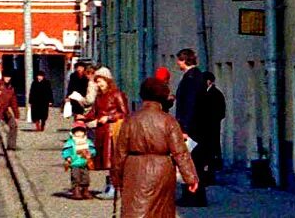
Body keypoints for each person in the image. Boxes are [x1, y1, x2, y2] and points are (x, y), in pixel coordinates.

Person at [111, 77, 199, 218]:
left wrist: (116, 177)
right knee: (161, 210)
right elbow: (180, 152)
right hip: (162, 169)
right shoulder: (168, 121)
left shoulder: (131, 120)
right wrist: (191, 177)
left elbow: (120, 152)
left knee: (135, 209)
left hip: (135, 168)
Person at [84, 67, 129, 199]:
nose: (99, 84)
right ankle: (110, 186)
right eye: (97, 81)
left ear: (107, 80)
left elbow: (124, 112)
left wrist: (109, 117)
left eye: (101, 81)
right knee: (107, 161)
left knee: (113, 160)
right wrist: (83, 117)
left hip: (112, 131)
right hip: (101, 131)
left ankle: (115, 187)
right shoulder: (99, 96)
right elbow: (94, 112)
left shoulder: (117, 94)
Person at [173, 49, 206, 205]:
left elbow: (190, 104)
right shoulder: (196, 76)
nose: (177, 63)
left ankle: (193, 196)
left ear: (184, 60)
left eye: (179, 60)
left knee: (190, 163)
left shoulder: (191, 78)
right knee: (193, 162)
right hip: (197, 127)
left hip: (192, 129)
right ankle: (194, 196)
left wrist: (185, 128)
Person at [194, 72, 226, 190]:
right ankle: (205, 175)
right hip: (203, 128)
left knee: (211, 152)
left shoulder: (216, 94)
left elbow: (221, 112)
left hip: (212, 128)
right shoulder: (203, 93)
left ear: (209, 81)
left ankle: (210, 176)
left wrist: (212, 119)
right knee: (204, 152)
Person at [60, 120, 97, 200]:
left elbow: (92, 149)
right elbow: (66, 151)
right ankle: (76, 191)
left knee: (86, 177)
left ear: (84, 132)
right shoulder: (71, 142)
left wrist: (91, 153)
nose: (79, 134)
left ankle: (85, 190)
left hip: (84, 162)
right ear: (73, 132)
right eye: (77, 132)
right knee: (76, 177)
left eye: (81, 131)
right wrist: (68, 157)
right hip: (75, 163)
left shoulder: (87, 141)